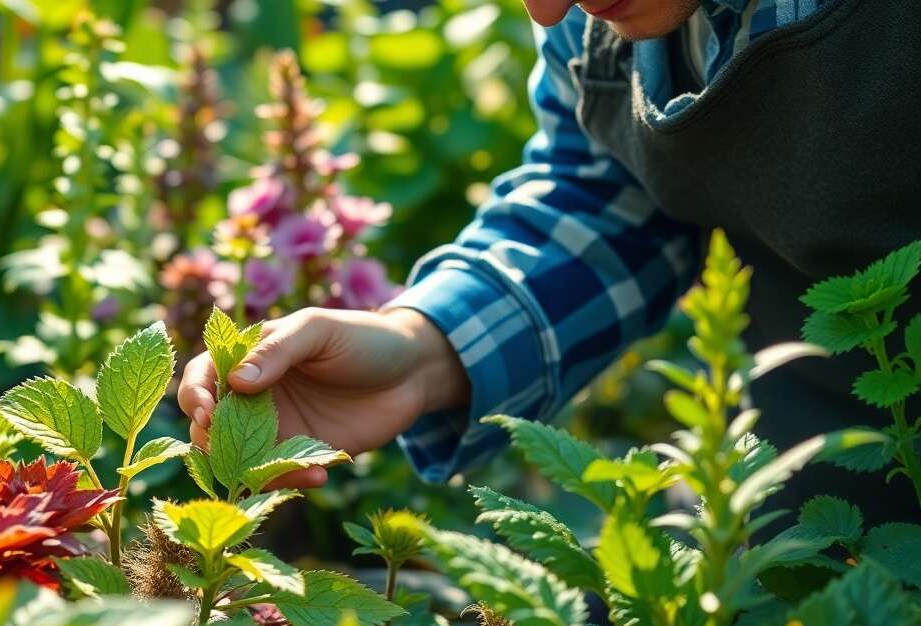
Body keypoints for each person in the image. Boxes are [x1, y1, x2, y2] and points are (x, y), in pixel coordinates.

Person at [178, 0, 921, 519]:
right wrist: (417, 352)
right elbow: (611, 197)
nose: (549, 10)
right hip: (812, 506)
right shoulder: (594, 24)